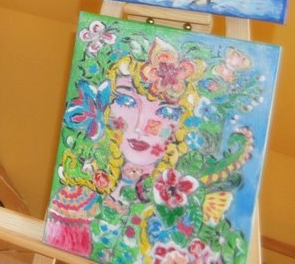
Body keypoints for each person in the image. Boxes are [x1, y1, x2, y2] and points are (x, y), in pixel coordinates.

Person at [44, 19, 267, 264]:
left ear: (187, 124)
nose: (141, 127)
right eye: (127, 101)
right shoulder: (74, 200)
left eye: (166, 112)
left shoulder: (197, 220)